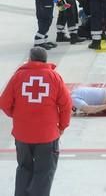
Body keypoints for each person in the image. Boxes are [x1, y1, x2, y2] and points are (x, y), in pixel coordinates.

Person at [0, 47, 71, 196]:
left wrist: (17, 116)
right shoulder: (54, 77)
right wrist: (63, 126)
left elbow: (4, 103)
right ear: (46, 60)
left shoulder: (18, 76)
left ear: (30, 59)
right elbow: (66, 105)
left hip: (22, 134)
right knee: (44, 172)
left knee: (24, 168)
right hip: (47, 135)